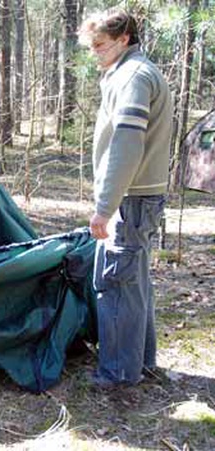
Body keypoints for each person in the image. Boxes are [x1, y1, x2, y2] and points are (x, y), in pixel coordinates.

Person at [78, 10, 172, 387]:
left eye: (99, 45)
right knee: (134, 282)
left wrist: (105, 207)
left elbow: (127, 146)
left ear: (124, 38)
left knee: (116, 282)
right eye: (91, 46)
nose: (94, 53)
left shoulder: (133, 77)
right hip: (138, 196)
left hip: (130, 199)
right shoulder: (133, 72)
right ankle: (140, 361)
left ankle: (118, 372)